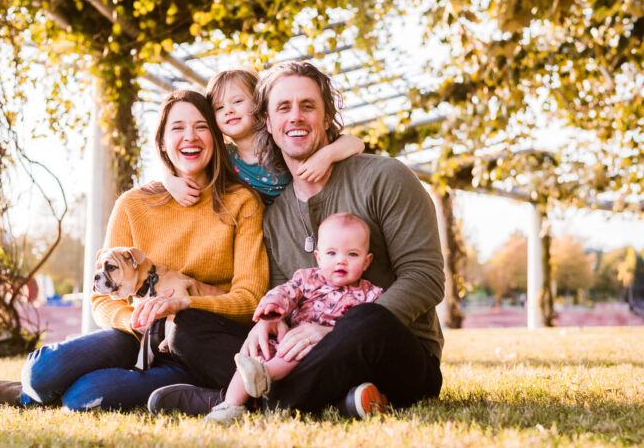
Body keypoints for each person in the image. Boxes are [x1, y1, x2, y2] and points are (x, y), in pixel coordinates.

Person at [149, 61, 445, 418]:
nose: (296, 117)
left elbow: (425, 278)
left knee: (369, 319)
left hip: (393, 350)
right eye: (283, 108)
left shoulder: (385, 178)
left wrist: (329, 332)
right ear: (267, 123)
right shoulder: (274, 216)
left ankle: (246, 401)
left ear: (326, 116)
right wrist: (270, 322)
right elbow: (281, 292)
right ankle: (332, 398)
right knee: (188, 327)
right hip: (306, 354)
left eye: (308, 106)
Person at [0, 90, 269, 411]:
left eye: (201, 127)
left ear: (215, 137)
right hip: (132, 334)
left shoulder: (241, 202)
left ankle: (54, 395)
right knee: (41, 371)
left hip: (191, 346)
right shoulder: (132, 205)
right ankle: (30, 390)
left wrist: (183, 306)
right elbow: (101, 298)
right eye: (177, 128)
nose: (190, 137)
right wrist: (136, 322)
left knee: (84, 397)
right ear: (161, 141)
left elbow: (250, 298)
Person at [205, 212, 384, 423]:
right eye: (332, 253)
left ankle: (265, 376)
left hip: (327, 352)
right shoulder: (308, 279)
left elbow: (370, 328)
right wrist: (272, 308)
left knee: (296, 352)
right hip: (291, 339)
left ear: (367, 261)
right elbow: (287, 291)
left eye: (352, 255)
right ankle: (231, 405)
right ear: (318, 257)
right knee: (259, 353)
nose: (341, 261)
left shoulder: (370, 294)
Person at [164, 68, 364, 204]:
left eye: (237, 101)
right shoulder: (223, 155)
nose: (229, 111)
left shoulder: (279, 139)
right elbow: (183, 166)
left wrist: (327, 155)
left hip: (303, 210)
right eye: (219, 107)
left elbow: (355, 143)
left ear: (260, 103)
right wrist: (170, 182)